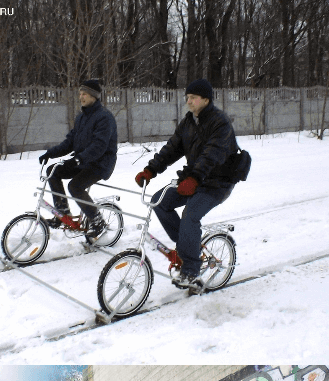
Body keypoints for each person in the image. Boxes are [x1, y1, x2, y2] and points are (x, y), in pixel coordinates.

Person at [134, 78, 244, 291]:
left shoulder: (220, 123)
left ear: (205, 99)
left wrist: (194, 178)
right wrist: (151, 170)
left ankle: (191, 268)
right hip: (194, 179)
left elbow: (212, 154)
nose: (188, 102)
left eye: (193, 98)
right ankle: (187, 246)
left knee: (190, 215)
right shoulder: (188, 122)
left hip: (217, 183)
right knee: (159, 201)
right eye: (187, 98)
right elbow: (171, 149)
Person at [39, 78, 118, 240]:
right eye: (80, 94)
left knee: (75, 186)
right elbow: (70, 142)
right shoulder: (81, 117)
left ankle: (98, 222)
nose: (81, 97)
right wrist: (50, 153)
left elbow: (99, 146)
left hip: (100, 164)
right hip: (83, 161)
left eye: (85, 94)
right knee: (52, 171)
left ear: (94, 97)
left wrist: (77, 160)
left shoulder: (104, 117)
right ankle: (63, 214)